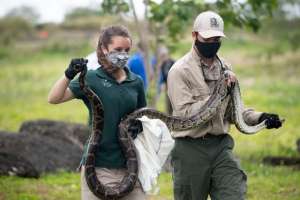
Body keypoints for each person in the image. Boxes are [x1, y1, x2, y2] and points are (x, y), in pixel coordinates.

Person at [167, 11, 282, 200]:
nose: (212, 43)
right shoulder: (179, 71)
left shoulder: (225, 68)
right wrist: (219, 93)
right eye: (208, 38)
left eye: (216, 39)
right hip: (190, 150)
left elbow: (234, 111)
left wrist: (261, 117)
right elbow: (186, 115)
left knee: (234, 194)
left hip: (221, 147)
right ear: (194, 35)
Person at [48, 25, 147, 200]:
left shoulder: (136, 82)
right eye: (117, 49)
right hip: (98, 167)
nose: (123, 54)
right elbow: (54, 98)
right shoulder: (92, 79)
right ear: (103, 48)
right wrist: (69, 74)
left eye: (127, 50)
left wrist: (138, 125)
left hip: (131, 166)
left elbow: (142, 116)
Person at [155, 45, 175, 114]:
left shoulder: (173, 62)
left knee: (174, 106)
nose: (163, 57)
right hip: (167, 88)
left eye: (164, 55)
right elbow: (161, 77)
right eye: (161, 56)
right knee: (168, 106)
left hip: (174, 87)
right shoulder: (162, 64)